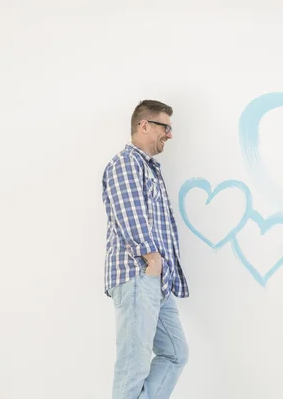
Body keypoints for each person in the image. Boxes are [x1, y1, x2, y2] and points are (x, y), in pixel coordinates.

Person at [102, 99, 189, 399]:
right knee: (132, 368)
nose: (170, 134)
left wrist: (160, 271)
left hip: (155, 280)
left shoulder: (149, 169)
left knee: (176, 352)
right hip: (138, 274)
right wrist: (152, 260)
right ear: (144, 126)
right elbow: (130, 215)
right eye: (166, 127)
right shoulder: (127, 163)